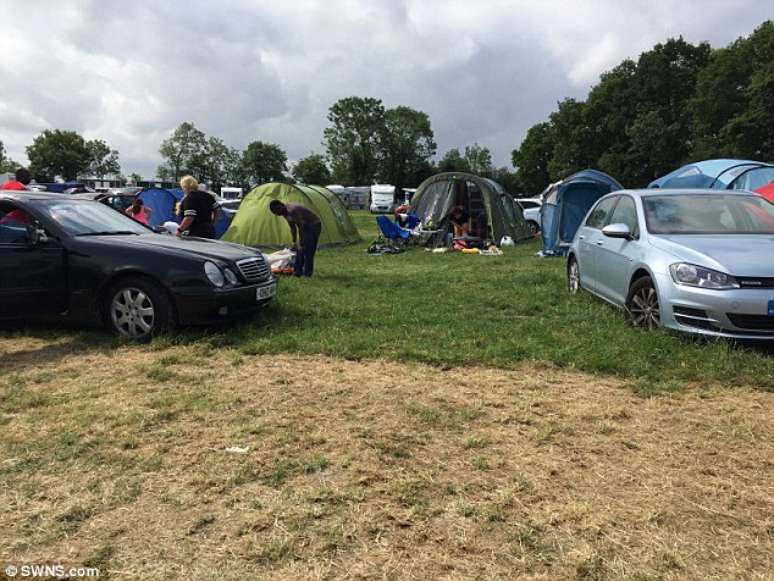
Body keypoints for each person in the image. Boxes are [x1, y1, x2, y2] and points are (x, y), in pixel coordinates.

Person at [269, 200, 322, 277]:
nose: (277, 213)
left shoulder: (292, 210)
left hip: (313, 225)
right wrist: (294, 243)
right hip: (305, 225)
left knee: (308, 250)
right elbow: (293, 227)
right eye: (275, 213)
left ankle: (307, 274)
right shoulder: (284, 213)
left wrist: (301, 241)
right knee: (299, 250)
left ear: (281, 205)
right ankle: (297, 272)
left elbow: (300, 226)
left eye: (277, 210)